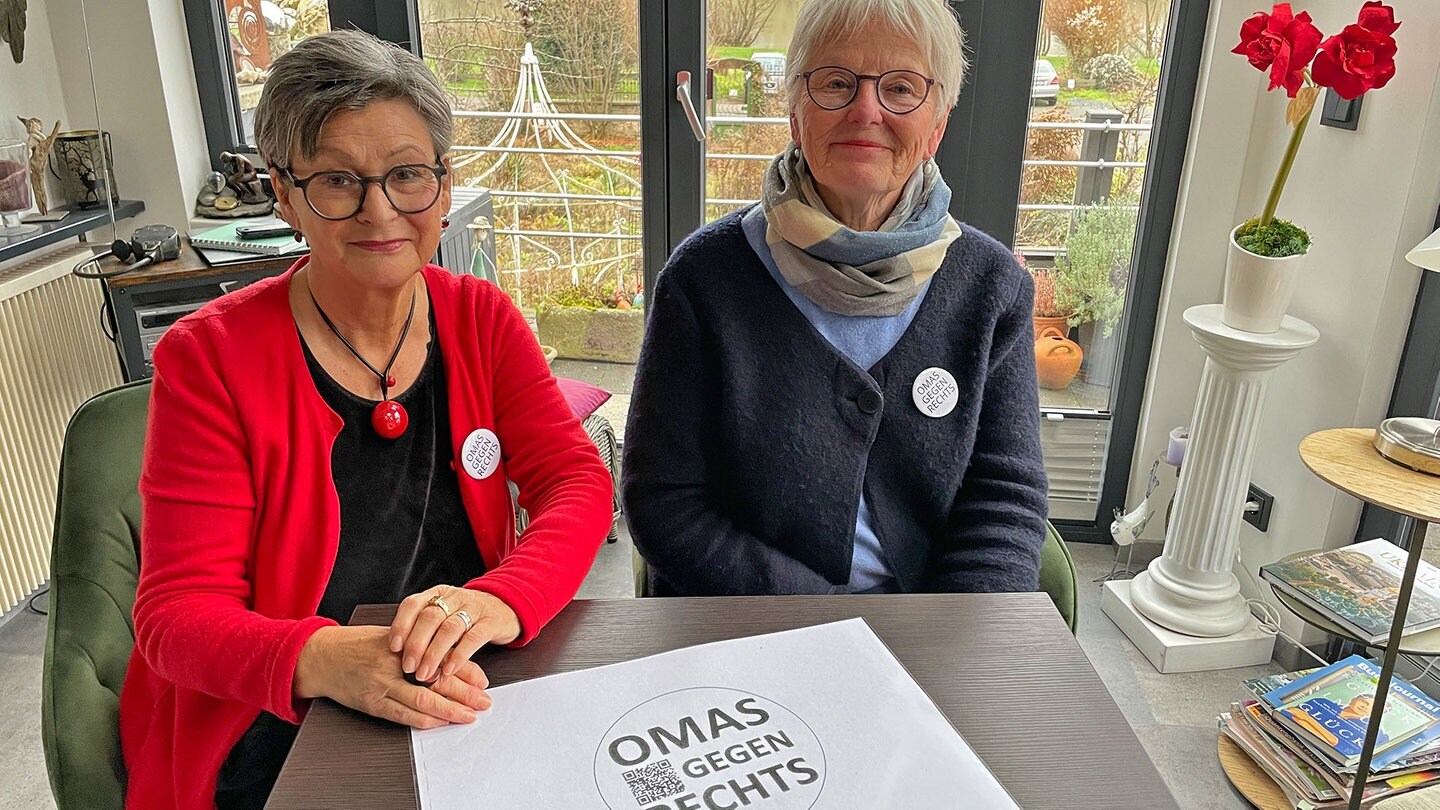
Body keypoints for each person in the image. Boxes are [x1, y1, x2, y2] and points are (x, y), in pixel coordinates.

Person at [119, 30, 614, 809]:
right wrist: (322, 655)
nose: (380, 210)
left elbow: (574, 482)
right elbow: (176, 617)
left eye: (407, 175)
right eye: (339, 181)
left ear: (443, 187)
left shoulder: (480, 317)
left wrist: (500, 598)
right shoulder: (208, 357)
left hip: (459, 681)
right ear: (284, 195)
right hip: (283, 708)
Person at [622, 0, 1047, 596]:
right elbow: (663, 504)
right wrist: (825, 625)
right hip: (746, 628)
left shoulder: (989, 286)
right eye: (836, 83)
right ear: (796, 114)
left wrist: (954, 640)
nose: (865, 110)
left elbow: (1004, 498)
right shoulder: (703, 279)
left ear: (938, 123)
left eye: (901, 88)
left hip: (930, 633)